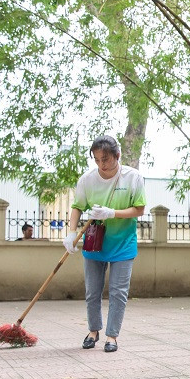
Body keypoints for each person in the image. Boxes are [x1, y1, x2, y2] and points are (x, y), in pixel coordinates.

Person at [62, 135, 146, 353]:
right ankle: (93, 331)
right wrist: (71, 233)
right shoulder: (87, 179)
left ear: (117, 156)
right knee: (92, 291)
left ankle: (112, 336)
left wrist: (112, 213)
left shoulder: (133, 177)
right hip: (94, 241)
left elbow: (139, 209)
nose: (101, 165)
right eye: (97, 160)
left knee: (118, 292)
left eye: (106, 159)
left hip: (123, 244)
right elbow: (77, 206)